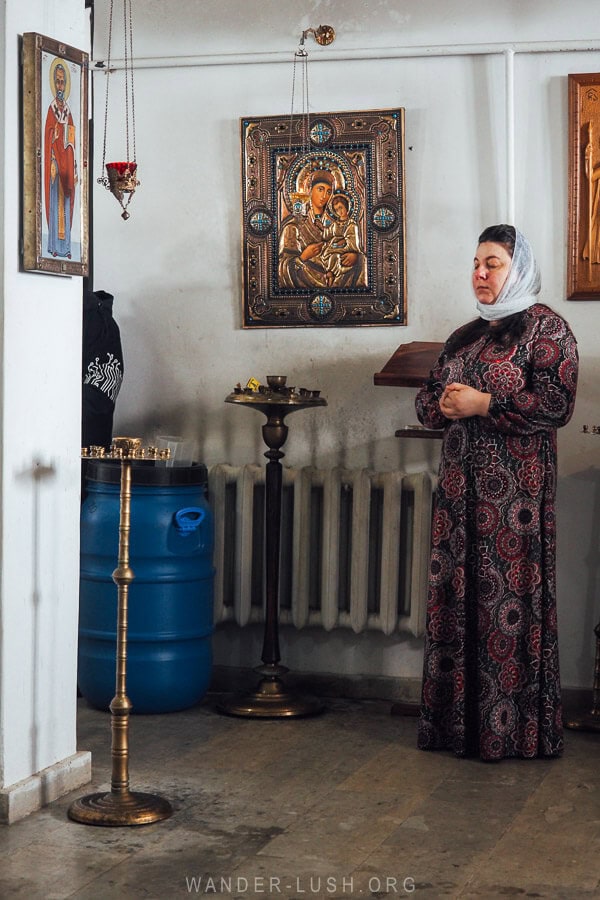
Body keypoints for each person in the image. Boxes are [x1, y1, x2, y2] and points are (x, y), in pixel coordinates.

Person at [415, 224, 578, 761]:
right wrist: (443, 404)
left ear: (520, 269)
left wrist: (484, 404)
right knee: (459, 602)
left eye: (494, 264)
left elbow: (556, 405)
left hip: (514, 508)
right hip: (459, 500)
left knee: (505, 603)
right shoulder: (467, 335)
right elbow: (426, 402)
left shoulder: (547, 331)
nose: (480, 274)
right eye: (477, 264)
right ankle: (457, 729)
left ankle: (511, 733)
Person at [278, 170, 366, 289]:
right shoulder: (293, 227)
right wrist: (303, 257)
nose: (325, 196)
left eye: (329, 191)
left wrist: (355, 257)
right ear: (310, 190)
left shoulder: (337, 223)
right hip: (305, 278)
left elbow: (356, 250)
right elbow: (281, 267)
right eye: (320, 189)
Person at [44, 59, 78, 259]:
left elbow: (73, 138)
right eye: (57, 82)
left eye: (62, 82)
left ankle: (66, 248)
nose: (59, 86)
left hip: (66, 165)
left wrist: (73, 168)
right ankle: (55, 246)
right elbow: (48, 134)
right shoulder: (51, 109)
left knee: (65, 205)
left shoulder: (67, 111)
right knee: (56, 206)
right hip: (55, 165)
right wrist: (55, 133)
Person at [321, 193, 364, 287]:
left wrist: (343, 241)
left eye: (341, 208)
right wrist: (321, 227)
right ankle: (329, 274)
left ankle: (331, 275)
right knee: (327, 255)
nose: (339, 211)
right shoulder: (335, 223)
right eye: (336, 210)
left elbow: (353, 242)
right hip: (332, 247)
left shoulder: (351, 224)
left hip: (345, 248)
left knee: (335, 257)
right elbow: (327, 234)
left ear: (347, 207)